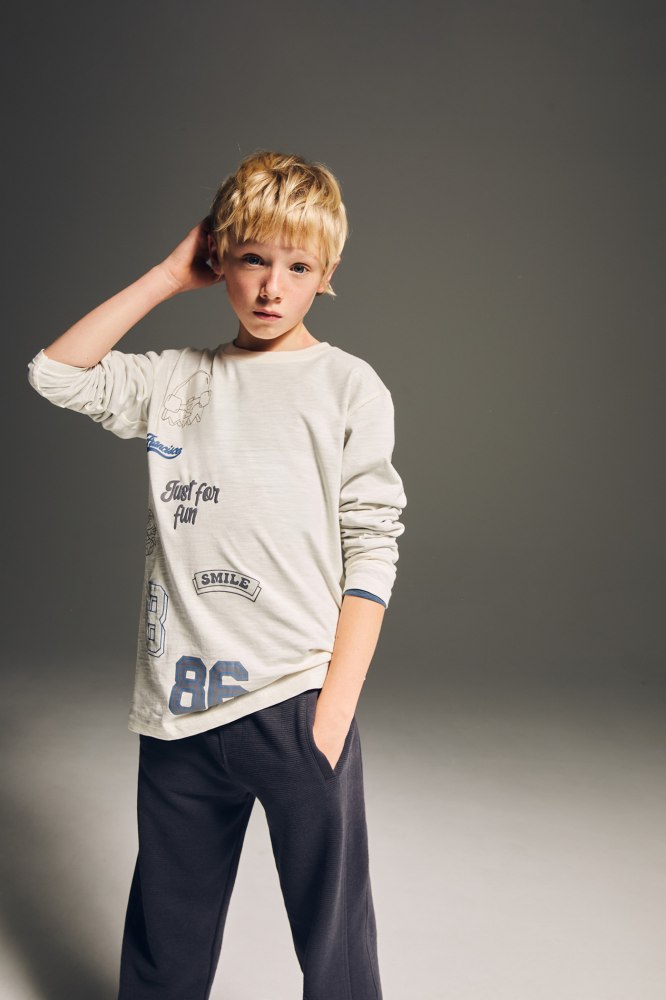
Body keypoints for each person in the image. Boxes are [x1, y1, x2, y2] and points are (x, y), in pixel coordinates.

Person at [26, 149, 407, 1000]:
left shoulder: (347, 387)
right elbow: (55, 373)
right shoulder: (174, 382)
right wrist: (167, 276)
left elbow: (373, 545)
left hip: (296, 703)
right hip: (178, 711)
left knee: (337, 952)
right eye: (252, 259)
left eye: (298, 267)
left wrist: (334, 711)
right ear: (218, 259)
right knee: (166, 942)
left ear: (327, 275)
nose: (271, 287)